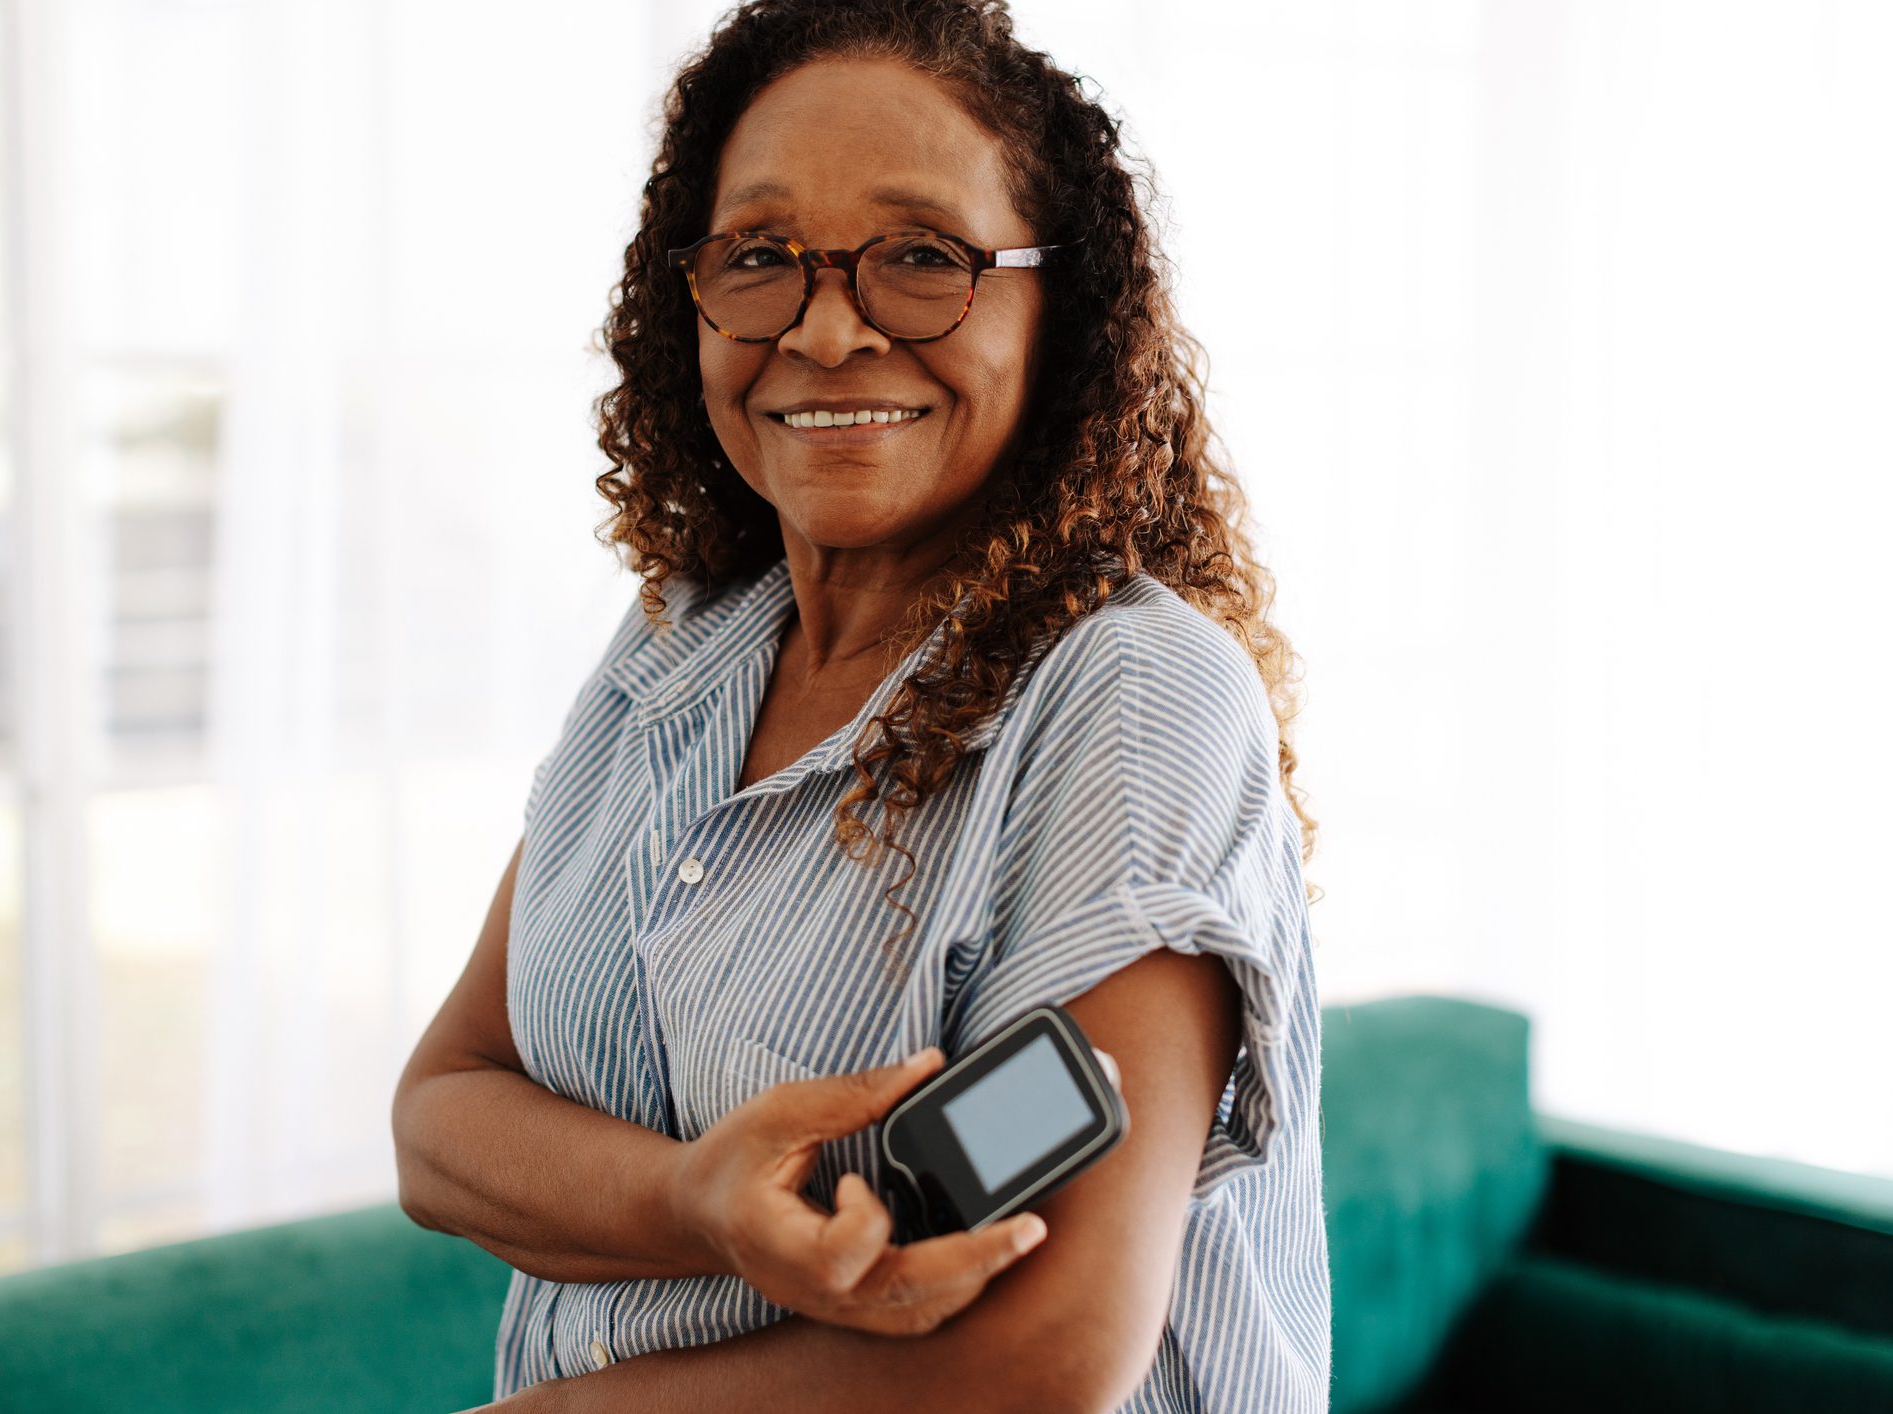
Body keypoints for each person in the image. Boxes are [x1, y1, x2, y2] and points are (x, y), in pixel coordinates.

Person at [393, 1, 1329, 1409]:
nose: (827, 332)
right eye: (762, 259)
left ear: (1055, 310)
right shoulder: (672, 647)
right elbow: (443, 1116)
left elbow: (1053, 1340)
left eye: (919, 260)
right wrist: (696, 1200)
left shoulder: (1129, 697)